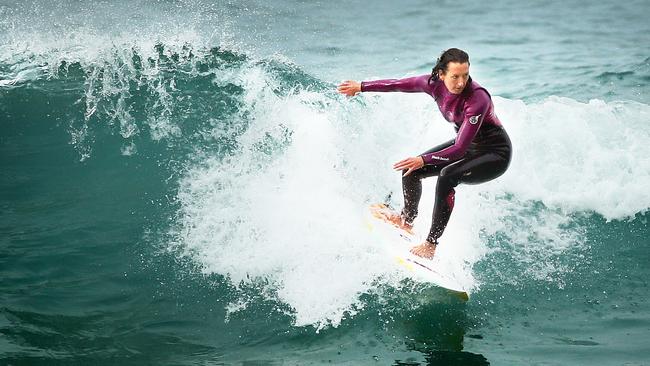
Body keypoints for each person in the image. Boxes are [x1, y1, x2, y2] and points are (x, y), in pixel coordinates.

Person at [337, 48, 512, 259]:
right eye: (455, 76)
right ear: (441, 74)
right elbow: (398, 85)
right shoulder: (432, 84)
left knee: (447, 176)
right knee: (411, 169)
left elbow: (459, 149)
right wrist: (361, 87)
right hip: (470, 146)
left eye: (465, 75)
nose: (461, 82)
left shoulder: (477, 99)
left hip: (495, 154)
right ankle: (406, 221)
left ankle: (431, 245)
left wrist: (423, 159)